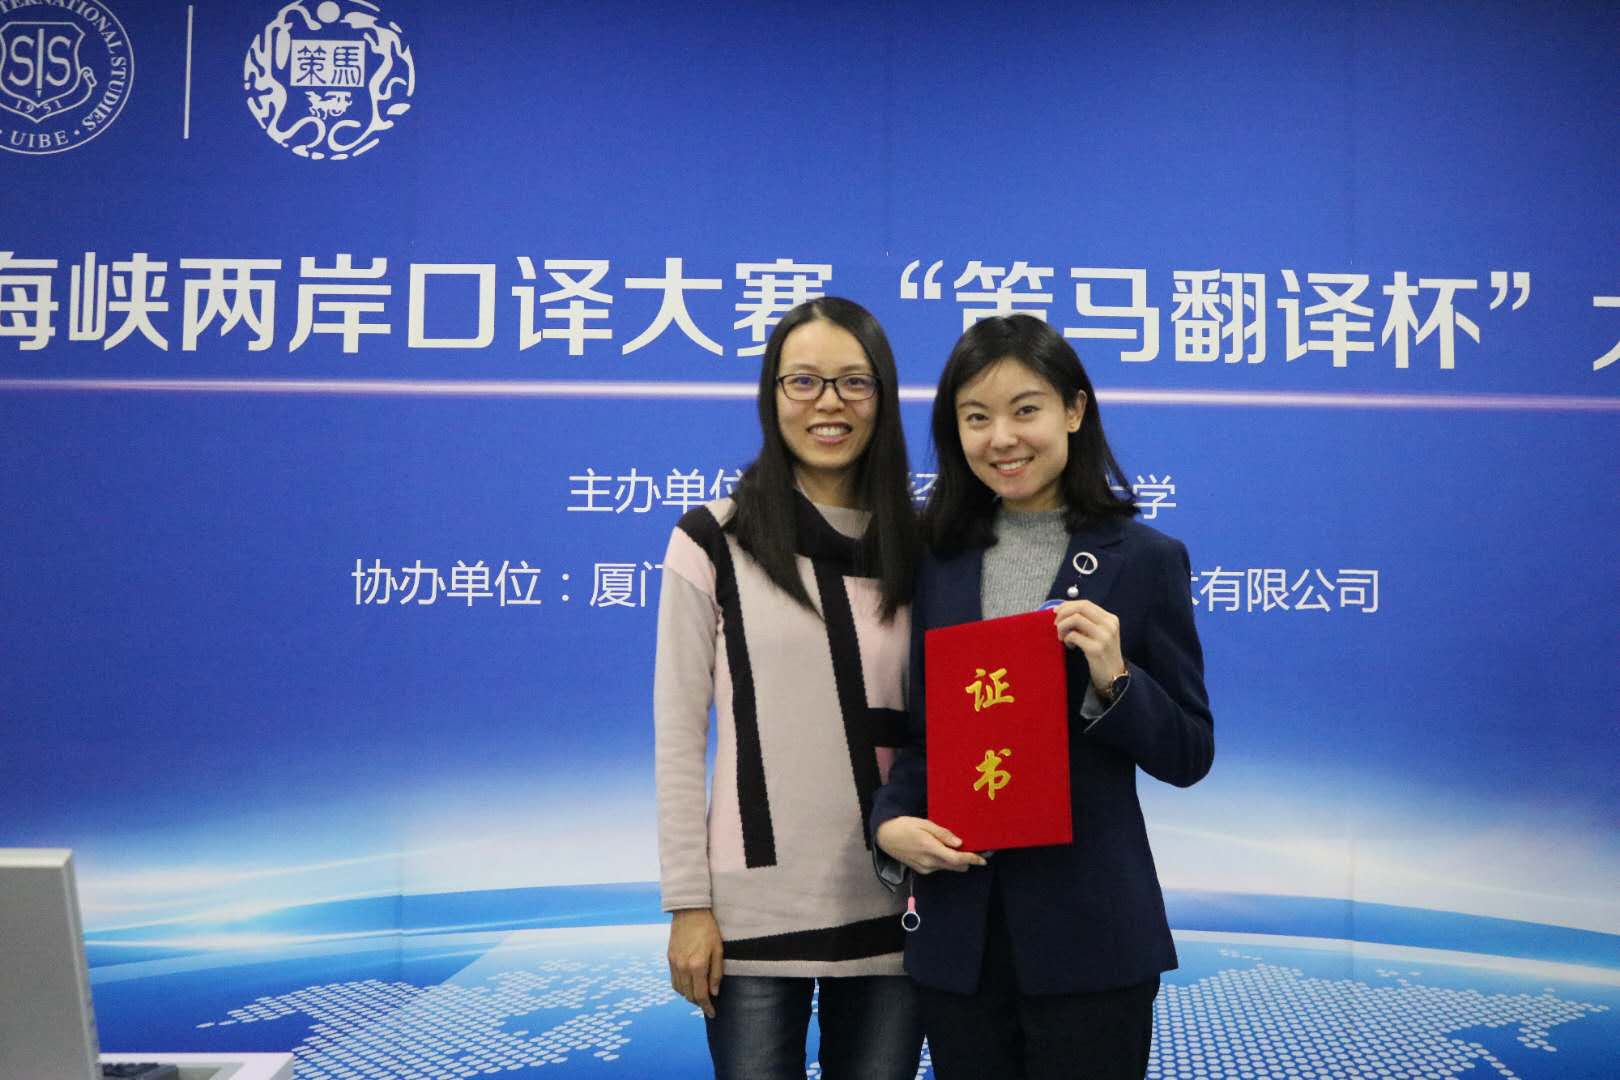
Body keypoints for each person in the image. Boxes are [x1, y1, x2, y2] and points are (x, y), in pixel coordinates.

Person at [871, 314, 1214, 1079]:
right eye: (976, 418)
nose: (1002, 438)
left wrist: (1117, 679)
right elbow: (927, 734)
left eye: (1025, 409)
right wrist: (890, 823)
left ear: (1074, 410)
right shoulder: (935, 559)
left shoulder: (1144, 560)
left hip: (1092, 937)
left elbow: (1190, 753)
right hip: (960, 939)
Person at [654, 297, 924, 1079]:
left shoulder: (924, 548)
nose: (828, 403)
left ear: (883, 397)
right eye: (802, 381)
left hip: (897, 907)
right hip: (753, 915)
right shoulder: (713, 539)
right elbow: (679, 737)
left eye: (853, 382)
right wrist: (688, 905)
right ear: (771, 395)